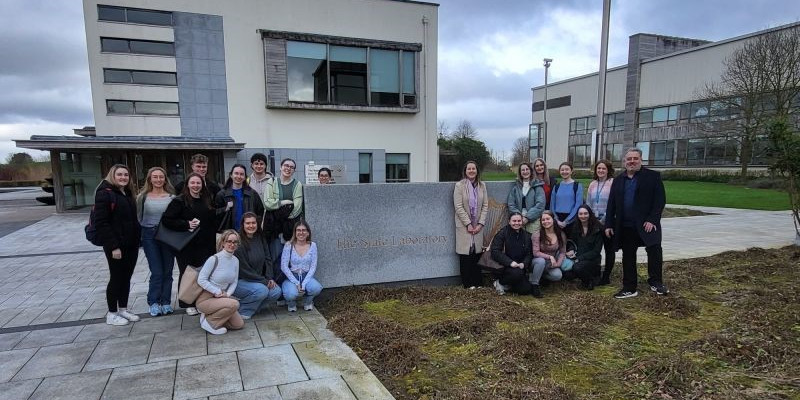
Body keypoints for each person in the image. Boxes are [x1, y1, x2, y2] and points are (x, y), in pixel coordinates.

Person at [605, 148, 669, 298]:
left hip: (647, 224)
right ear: (624, 161)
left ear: (641, 160)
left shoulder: (653, 177)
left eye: (635, 158)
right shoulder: (618, 180)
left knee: (654, 251)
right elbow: (611, 204)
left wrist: (652, 219)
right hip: (626, 225)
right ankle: (629, 287)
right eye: (629, 159)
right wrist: (609, 224)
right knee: (628, 256)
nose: (631, 161)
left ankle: (656, 282)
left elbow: (659, 201)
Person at [162, 173, 217, 316]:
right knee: (188, 274)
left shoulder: (207, 199)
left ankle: (200, 301)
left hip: (206, 243)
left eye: (198, 183)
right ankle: (187, 303)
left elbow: (212, 219)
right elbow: (167, 220)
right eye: (192, 183)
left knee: (203, 274)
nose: (196, 186)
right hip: (187, 244)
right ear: (187, 185)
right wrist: (186, 224)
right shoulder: (179, 201)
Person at [94, 164, 142, 326]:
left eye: (126, 175)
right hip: (116, 246)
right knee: (116, 278)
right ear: (112, 176)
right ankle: (112, 313)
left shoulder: (126, 193)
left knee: (126, 277)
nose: (123, 177)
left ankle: (123, 308)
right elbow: (102, 223)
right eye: (119, 174)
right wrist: (113, 246)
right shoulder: (104, 194)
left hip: (130, 244)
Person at [136, 167, 176, 317]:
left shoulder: (172, 197)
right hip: (149, 235)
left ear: (165, 179)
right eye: (155, 177)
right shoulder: (142, 197)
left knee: (168, 271)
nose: (158, 180)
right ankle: (153, 302)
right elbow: (138, 218)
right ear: (150, 179)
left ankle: (165, 301)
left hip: (167, 235)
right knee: (157, 271)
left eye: (161, 177)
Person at [233, 212, 282, 319]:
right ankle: (243, 311)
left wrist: (269, 278)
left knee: (276, 291)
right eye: (248, 223)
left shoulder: (259, 237)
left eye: (253, 223)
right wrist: (264, 281)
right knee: (262, 290)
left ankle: (251, 307)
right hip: (240, 281)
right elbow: (244, 271)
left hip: (257, 280)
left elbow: (268, 259)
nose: (251, 226)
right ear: (243, 225)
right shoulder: (238, 242)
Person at [196, 229, 244, 335]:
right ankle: (209, 323)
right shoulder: (214, 259)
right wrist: (217, 291)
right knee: (234, 304)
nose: (232, 244)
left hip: (222, 297)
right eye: (229, 241)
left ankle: (209, 317)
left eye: (235, 242)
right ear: (223, 243)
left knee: (238, 324)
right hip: (206, 298)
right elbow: (201, 279)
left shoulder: (235, 261)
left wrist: (227, 294)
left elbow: (234, 281)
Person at [263, 158, 304, 273]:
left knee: (289, 256)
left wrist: (280, 214)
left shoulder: (297, 185)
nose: (288, 168)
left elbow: (297, 208)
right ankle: (274, 280)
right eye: (286, 165)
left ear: (294, 170)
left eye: (291, 167)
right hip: (274, 228)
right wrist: (283, 202)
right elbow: (267, 203)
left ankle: (289, 280)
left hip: (289, 227)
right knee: (275, 255)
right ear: (281, 167)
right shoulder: (272, 182)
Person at [453, 160, 489, 289]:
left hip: (478, 225)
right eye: (469, 169)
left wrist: (480, 223)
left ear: (477, 171)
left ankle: (478, 282)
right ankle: (467, 284)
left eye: (474, 168)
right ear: (465, 171)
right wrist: (468, 223)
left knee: (477, 253)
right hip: (464, 225)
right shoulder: (459, 186)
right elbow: (458, 206)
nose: (472, 171)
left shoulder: (482, 185)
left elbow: (485, 205)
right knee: (465, 254)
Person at [280, 220, 323, 312]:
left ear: (308, 233)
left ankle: (307, 302)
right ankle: (291, 303)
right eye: (298, 230)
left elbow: (313, 266)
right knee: (291, 294)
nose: (301, 232)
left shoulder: (313, 245)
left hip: (306, 276)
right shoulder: (288, 245)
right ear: (295, 233)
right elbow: (283, 266)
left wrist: (303, 284)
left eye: (304, 230)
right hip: (292, 276)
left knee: (316, 288)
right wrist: (296, 282)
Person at [586, 160, 616, 285]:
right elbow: (588, 203)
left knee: (609, 250)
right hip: (594, 222)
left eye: (603, 168)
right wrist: (591, 220)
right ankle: (595, 274)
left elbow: (616, 204)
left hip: (608, 222)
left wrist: (605, 220)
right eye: (599, 168)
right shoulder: (593, 184)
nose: (601, 171)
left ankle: (606, 276)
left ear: (608, 170)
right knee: (595, 250)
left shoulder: (613, 183)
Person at [490, 213, 533, 296]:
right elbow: (495, 252)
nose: (516, 223)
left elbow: (529, 254)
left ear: (522, 222)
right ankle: (499, 282)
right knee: (517, 273)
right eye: (514, 221)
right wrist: (510, 263)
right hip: (504, 267)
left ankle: (507, 286)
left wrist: (524, 264)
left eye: (519, 221)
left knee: (526, 290)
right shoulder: (502, 233)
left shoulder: (526, 235)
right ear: (509, 221)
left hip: (519, 267)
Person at [215, 164, 264, 231]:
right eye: (236, 173)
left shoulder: (253, 194)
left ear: (245, 177)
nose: (239, 176)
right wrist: (225, 208)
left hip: (248, 233)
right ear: (231, 175)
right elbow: (215, 214)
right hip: (229, 235)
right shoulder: (222, 194)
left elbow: (260, 212)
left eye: (241, 174)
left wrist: (254, 227)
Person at [566, 205, 604, 290]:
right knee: (567, 274)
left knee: (577, 268)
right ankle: (584, 276)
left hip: (592, 260)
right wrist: (571, 249)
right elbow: (572, 242)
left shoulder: (597, 229)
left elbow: (596, 251)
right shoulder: (575, 226)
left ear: (590, 214)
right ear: (578, 215)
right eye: (580, 214)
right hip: (577, 259)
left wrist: (579, 258)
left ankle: (590, 281)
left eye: (585, 213)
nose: (583, 216)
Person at [532, 211, 573, 290]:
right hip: (537, 262)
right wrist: (550, 257)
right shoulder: (537, 235)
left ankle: (541, 276)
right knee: (541, 261)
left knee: (558, 275)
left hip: (551, 263)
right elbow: (535, 253)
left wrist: (558, 264)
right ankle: (534, 284)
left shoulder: (561, 234)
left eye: (548, 219)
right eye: (543, 220)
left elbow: (562, 251)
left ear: (553, 220)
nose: (545, 221)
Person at [507, 162, 546, 233]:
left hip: (534, 219)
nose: (525, 172)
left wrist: (527, 217)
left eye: (527, 169)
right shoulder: (516, 188)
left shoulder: (537, 186)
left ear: (531, 171)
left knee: (532, 241)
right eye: (523, 170)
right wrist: (519, 217)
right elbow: (511, 204)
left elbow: (540, 204)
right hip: (518, 220)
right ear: (520, 172)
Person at [550, 162, 583, 228]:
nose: (564, 172)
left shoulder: (577, 186)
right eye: (562, 170)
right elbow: (552, 204)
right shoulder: (556, 186)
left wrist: (567, 221)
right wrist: (556, 220)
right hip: (557, 219)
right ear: (559, 171)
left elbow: (578, 204)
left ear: (571, 171)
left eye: (567, 169)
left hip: (572, 219)